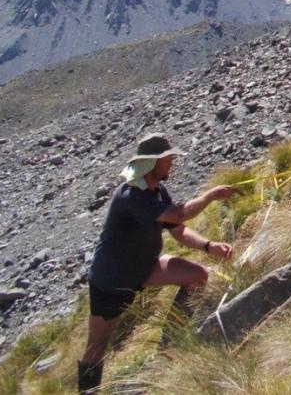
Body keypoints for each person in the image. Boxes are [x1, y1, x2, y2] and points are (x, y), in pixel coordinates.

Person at [78, 133, 235, 392]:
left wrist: (209, 246)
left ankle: (169, 345)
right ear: (151, 163)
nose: (172, 162)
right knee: (96, 349)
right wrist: (209, 197)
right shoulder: (131, 196)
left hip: (145, 268)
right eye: (167, 158)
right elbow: (178, 214)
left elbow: (178, 229)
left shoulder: (157, 191)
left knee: (197, 276)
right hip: (111, 282)